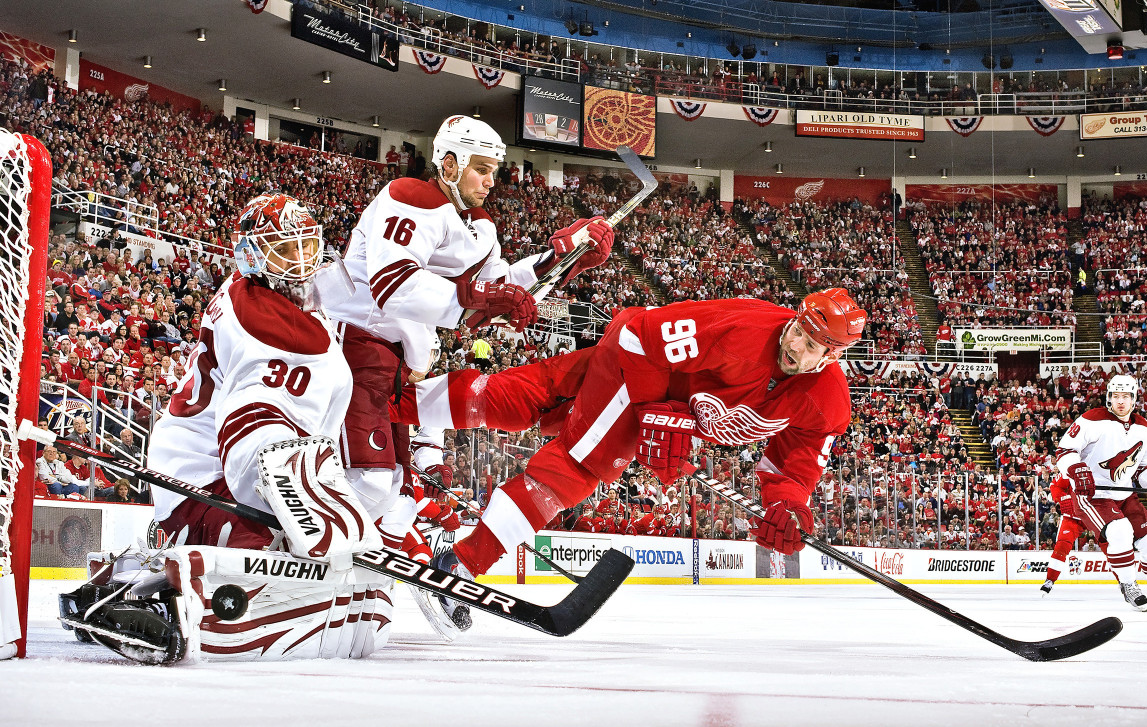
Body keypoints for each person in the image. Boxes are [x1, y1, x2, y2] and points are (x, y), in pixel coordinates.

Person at [60, 193, 390, 664]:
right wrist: (306, 506)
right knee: (278, 548)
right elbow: (254, 438)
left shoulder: (263, 293)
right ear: (252, 254)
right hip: (206, 476)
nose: (301, 261)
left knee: (295, 549)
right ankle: (167, 596)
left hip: (193, 463)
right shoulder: (269, 324)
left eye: (305, 246)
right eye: (284, 249)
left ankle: (161, 551)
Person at [321, 115, 613, 634]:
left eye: (494, 170)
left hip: (394, 360)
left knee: (393, 490)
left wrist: (560, 256)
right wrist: (480, 301)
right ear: (448, 163)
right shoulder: (410, 196)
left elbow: (501, 284)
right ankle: (318, 579)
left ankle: (410, 578)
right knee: (367, 481)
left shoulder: (477, 226)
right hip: (356, 340)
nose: (490, 180)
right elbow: (393, 284)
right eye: (480, 168)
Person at [397, 288, 866, 587]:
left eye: (810, 345)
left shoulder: (826, 402)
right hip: (635, 361)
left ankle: (388, 404)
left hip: (651, 384)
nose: (794, 344)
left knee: (535, 396)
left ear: (831, 355)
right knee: (580, 469)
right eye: (798, 329)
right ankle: (459, 565)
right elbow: (640, 336)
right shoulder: (741, 329)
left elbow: (792, 466)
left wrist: (786, 506)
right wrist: (649, 414)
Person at [1055, 374, 1147, 611]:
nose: (1120, 401)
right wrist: (1077, 470)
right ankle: (1128, 585)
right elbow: (1065, 450)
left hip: (1124, 494)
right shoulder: (1090, 419)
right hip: (1092, 495)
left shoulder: (1144, 429)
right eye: (1115, 396)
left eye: (1125, 396)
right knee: (1119, 531)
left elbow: (1146, 468)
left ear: (1134, 398)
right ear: (1108, 397)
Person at [1040, 476, 1086, 595]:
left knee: (1112, 542)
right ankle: (1050, 579)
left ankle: (1126, 581)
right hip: (1072, 517)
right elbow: (1054, 485)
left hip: (1099, 513)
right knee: (1062, 546)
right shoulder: (1072, 465)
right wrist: (1062, 497)